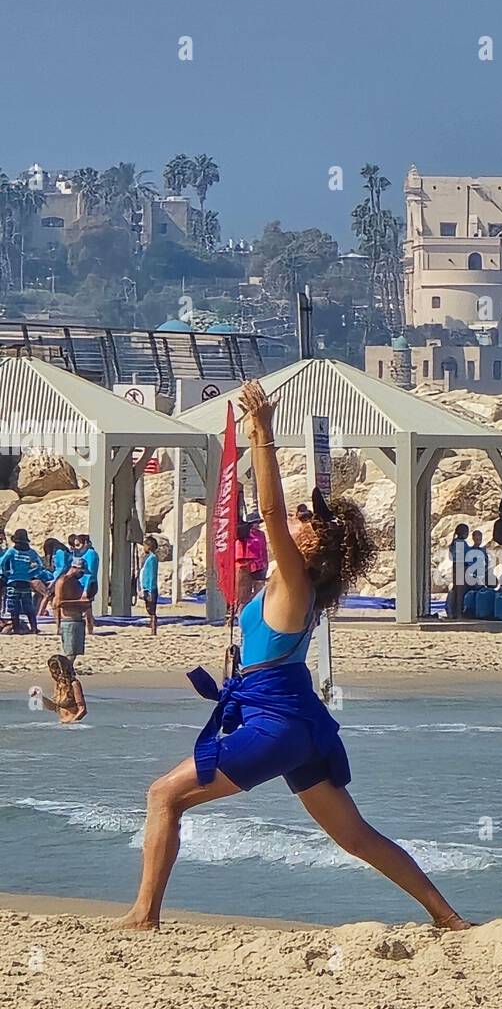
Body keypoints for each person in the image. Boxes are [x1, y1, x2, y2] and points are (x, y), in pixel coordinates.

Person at [120, 379, 471, 933]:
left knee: (163, 796)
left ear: (313, 543)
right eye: (304, 513)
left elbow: (271, 505)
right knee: (356, 836)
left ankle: (144, 916)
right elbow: (271, 519)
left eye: (308, 518)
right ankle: (448, 918)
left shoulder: (294, 580)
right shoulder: (299, 586)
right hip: (300, 724)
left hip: (277, 725)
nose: (298, 517)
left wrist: (262, 432)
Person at [1, 529, 44, 634]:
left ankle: (16, 629)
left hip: (13, 581)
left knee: (13, 607)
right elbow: (40, 565)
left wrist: (7, 573)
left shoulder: (12, 551)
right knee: (28, 606)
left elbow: (2, 563)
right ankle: (34, 628)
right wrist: (31, 574)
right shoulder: (31, 552)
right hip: (25, 581)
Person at [53, 558, 91, 669]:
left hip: (78, 619)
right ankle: (65, 673)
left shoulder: (76, 583)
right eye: (81, 572)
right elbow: (58, 603)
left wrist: (84, 603)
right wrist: (80, 603)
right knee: (69, 653)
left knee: (74, 653)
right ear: (74, 568)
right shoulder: (63, 581)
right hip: (68, 620)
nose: (82, 575)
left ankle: (68, 671)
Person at [35, 654, 87, 724]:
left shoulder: (74, 684)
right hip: (62, 723)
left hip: (74, 725)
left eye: (58, 672)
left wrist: (73, 722)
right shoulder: (58, 685)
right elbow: (54, 707)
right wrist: (40, 697)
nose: (56, 675)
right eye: (53, 673)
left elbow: (82, 709)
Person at [72, 534, 99, 634]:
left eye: (78, 545)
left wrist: (85, 590)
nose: (76, 548)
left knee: (87, 608)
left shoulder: (91, 554)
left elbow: (91, 573)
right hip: (80, 584)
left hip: (89, 584)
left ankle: (90, 629)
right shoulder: (79, 554)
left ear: (86, 543)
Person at [445, 523, 469, 619]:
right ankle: (459, 612)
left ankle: (452, 611)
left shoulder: (454, 543)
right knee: (460, 592)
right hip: (461, 567)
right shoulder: (461, 543)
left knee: (455, 589)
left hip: (455, 567)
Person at [139, 536, 160, 636]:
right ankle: (151, 624)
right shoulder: (147, 557)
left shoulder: (152, 559)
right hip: (145, 587)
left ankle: (153, 627)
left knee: (151, 608)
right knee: (148, 607)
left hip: (150, 588)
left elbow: (152, 575)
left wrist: (151, 590)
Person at [234, 520, 255, 610]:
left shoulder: (247, 539)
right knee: (241, 592)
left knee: (245, 592)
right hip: (241, 566)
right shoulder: (240, 541)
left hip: (246, 565)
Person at [246, 516, 269, 594]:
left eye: (258, 522)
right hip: (250, 565)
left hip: (260, 564)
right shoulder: (247, 535)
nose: (257, 524)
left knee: (259, 588)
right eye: (256, 522)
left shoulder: (261, 534)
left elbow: (264, 549)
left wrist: (265, 562)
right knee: (246, 589)